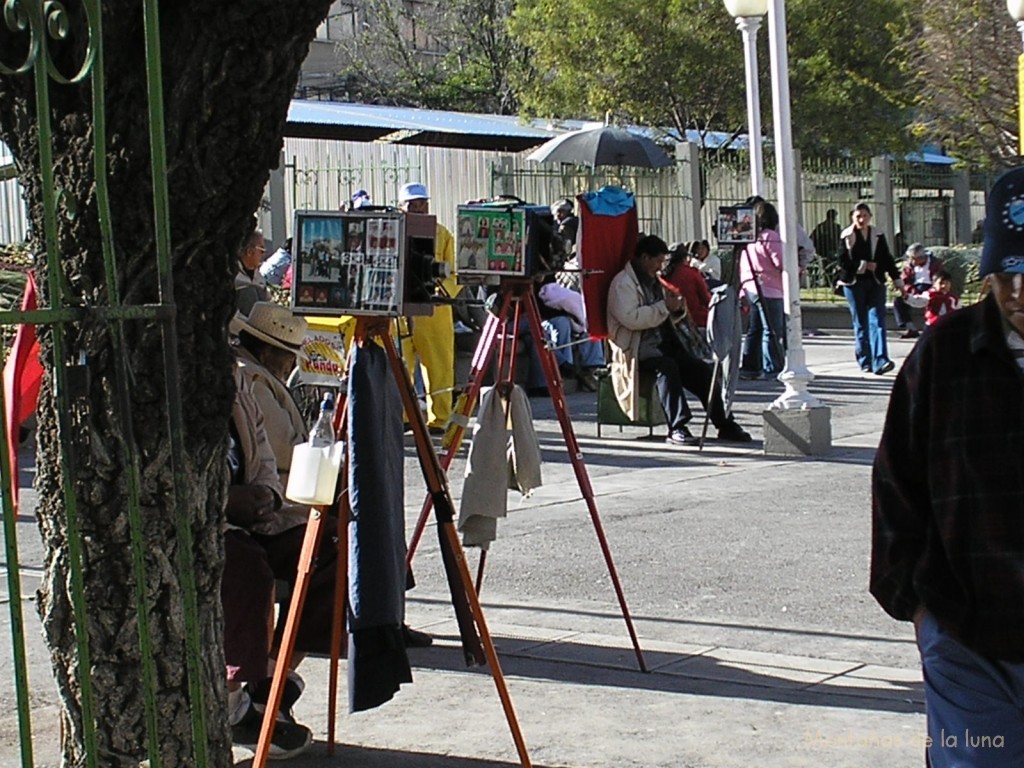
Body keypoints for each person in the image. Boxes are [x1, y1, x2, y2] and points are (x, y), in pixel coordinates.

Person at [870, 165, 1024, 768]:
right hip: (965, 634)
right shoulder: (943, 355)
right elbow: (896, 482)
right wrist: (915, 600)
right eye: (1005, 270)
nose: (1016, 290)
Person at [606, 234, 751, 446]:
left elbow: (668, 311)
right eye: (657, 261)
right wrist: (665, 307)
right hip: (637, 348)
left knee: (701, 371)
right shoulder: (624, 283)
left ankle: (724, 423)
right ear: (644, 257)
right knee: (668, 368)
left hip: (663, 343)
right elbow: (631, 319)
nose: (660, 266)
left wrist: (676, 309)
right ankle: (677, 426)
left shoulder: (654, 280)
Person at [397, 182, 461, 433]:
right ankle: (402, 416)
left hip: (434, 310)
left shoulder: (442, 234)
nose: (419, 208)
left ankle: (440, 417)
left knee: (439, 365)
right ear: (401, 207)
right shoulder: (394, 232)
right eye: (413, 204)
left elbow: (453, 272)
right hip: (400, 311)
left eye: (423, 203)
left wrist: (440, 292)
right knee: (401, 365)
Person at [836, 203, 903, 374]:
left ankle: (881, 360)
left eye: (864, 216)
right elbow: (842, 262)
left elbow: (887, 258)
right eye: (858, 216)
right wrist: (863, 266)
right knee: (861, 322)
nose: (861, 219)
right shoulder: (847, 236)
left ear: (870, 217)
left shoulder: (877, 235)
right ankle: (865, 361)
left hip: (875, 282)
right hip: (853, 284)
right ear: (852, 217)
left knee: (878, 320)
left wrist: (897, 280)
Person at [738, 202, 785, 380]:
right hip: (770, 288)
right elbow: (780, 262)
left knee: (755, 329)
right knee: (771, 330)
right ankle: (772, 367)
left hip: (751, 286)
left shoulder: (750, 238)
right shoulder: (770, 236)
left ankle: (750, 367)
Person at [893, 242, 944, 339]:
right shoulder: (909, 266)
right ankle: (910, 328)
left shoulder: (935, 264)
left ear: (921, 258)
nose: (911, 261)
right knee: (899, 301)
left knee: (936, 301)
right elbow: (905, 280)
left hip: (931, 289)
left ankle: (932, 328)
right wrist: (909, 290)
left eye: (913, 258)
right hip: (914, 289)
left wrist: (932, 290)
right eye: (910, 258)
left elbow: (940, 278)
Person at [235, 226, 270, 315]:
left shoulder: (258, 276)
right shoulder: (232, 274)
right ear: (249, 252)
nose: (263, 255)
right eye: (261, 250)